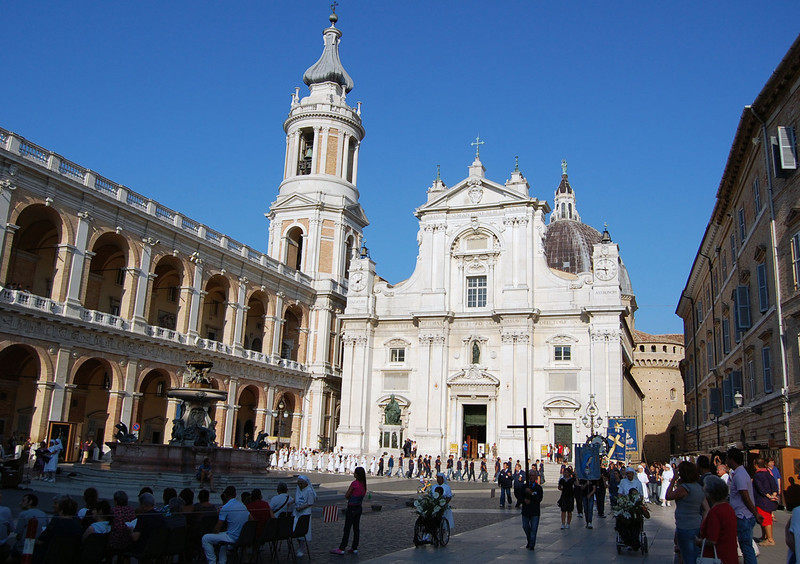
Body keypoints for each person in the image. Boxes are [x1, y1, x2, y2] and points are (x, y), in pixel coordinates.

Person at [664, 460, 706, 564]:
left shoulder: (685, 488)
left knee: (687, 556)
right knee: (694, 554)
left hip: (685, 526)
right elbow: (706, 508)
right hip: (696, 524)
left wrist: (673, 480)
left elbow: (668, 496)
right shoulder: (699, 487)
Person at [727, 447, 761, 564]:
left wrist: (756, 513)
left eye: (727, 458)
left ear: (732, 459)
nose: (726, 461)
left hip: (743, 515)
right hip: (744, 515)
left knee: (746, 547)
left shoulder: (740, 475)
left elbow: (745, 496)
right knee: (745, 546)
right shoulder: (740, 473)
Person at [202, 486, 251, 564]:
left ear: (225, 495)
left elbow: (218, 528)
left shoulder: (225, 507)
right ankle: (222, 561)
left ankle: (212, 562)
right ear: (235, 494)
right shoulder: (242, 505)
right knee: (223, 537)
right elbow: (251, 519)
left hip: (233, 537)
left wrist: (213, 532)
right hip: (242, 536)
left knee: (205, 538)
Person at [697, 475, 738, 564]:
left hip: (718, 556)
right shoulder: (729, 508)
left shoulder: (715, 512)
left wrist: (699, 541)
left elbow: (712, 540)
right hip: (730, 554)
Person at [331, 466, 367, 555]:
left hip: (352, 508)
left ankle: (342, 548)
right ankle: (354, 547)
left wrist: (350, 497)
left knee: (347, 528)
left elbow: (347, 495)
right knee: (356, 528)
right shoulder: (364, 484)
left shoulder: (354, 483)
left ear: (357, 475)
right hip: (359, 507)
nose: (354, 473)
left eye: (355, 472)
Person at [34, 496, 81, 564]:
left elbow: (40, 540)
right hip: (69, 557)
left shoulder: (55, 524)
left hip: (51, 556)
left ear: (61, 511)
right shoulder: (77, 526)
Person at [752, 457, 779, 546]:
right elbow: (774, 485)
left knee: (765, 519)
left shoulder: (758, 475)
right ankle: (765, 536)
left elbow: (760, 488)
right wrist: (774, 494)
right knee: (765, 519)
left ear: (756, 465)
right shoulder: (768, 473)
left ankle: (770, 539)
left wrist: (769, 496)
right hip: (769, 500)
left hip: (762, 500)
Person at [293, 475, 317, 557]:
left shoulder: (309, 491)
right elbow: (296, 498)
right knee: (295, 528)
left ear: (305, 483)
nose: (299, 485)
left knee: (302, 530)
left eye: (301, 483)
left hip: (304, 513)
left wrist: (301, 508)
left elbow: (310, 503)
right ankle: (299, 544)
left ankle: (301, 547)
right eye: (298, 483)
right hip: (297, 512)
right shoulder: (299, 489)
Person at [521, 469, 543, 550]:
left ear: (536, 477)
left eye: (532, 475)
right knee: (525, 526)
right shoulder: (524, 486)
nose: (531, 477)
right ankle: (529, 540)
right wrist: (524, 500)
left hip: (535, 511)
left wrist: (531, 493)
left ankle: (531, 545)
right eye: (529, 475)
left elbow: (539, 498)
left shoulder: (538, 488)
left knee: (534, 529)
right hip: (526, 510)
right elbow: (519, 495)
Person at [108, 490, 135, 555]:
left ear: (116, 501)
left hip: (115, 542)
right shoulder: (131, 510)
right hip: (128, 541)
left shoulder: (113, 511)